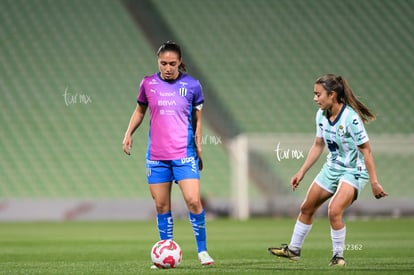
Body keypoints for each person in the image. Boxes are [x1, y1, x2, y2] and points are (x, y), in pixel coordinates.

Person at [268, 74, 388, 266]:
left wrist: (374, 182)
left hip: (353, 170)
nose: (315, 99)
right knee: (307, 208)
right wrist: (302, 172)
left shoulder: (350, 118)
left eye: (318, 94)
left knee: (334, 210)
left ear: (332, 94)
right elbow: (318, 145)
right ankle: (293, 250)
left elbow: (366, 150)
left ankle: (338, 256)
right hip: (332, 168)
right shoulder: (321, 116)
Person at [122, 41, 214, 267]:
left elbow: (197, 120)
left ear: (180, 62)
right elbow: (139, 111)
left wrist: (199, 147)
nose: (168, 68)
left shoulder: (193, 86)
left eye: (172, 63)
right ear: (158, 62)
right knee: (162, 207)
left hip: (184, 154)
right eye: (163, 63)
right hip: (156, 157)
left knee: (193, 201)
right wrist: (128, 133)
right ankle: (166, 250)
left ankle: (202, 251)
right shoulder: (148, 83)